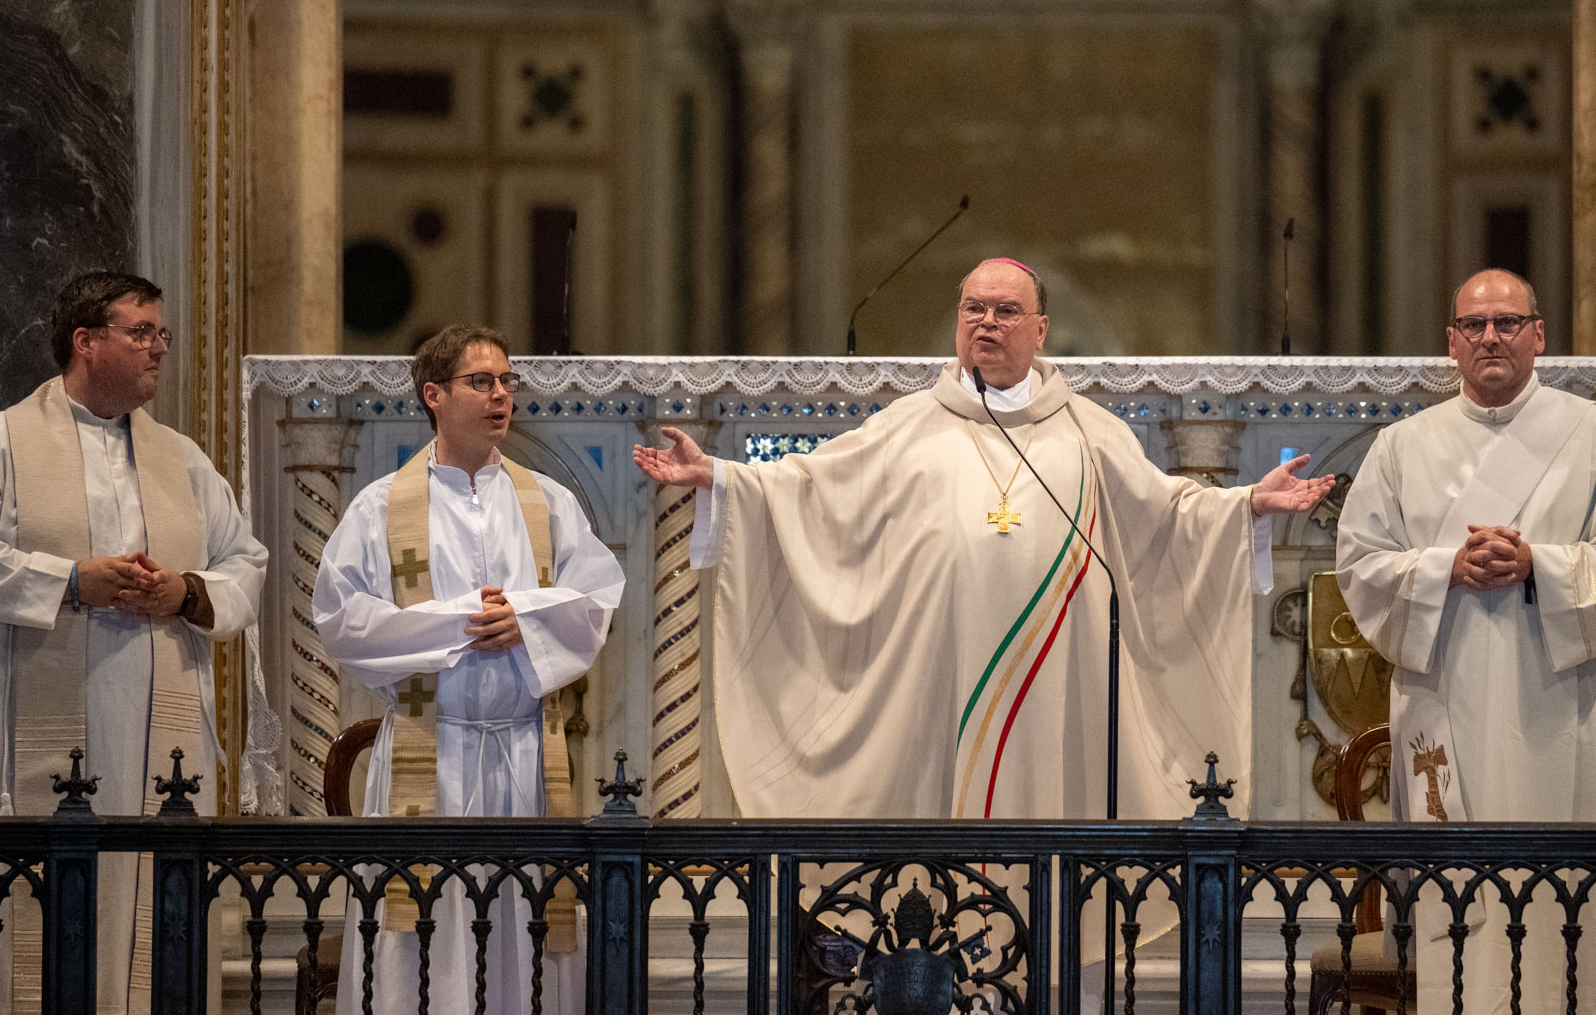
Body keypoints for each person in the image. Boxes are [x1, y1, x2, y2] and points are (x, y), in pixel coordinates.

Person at [633, 257, 1330, 827]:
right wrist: (721, 477)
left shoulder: (1089, 431)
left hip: (1064, 681)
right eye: (974, 309)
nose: (986, 323)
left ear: (1042, 329)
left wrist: (1244, 506)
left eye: (1005, 311)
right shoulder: (910, 423)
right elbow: (811, 489)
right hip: (939, 674)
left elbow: (1167, 516)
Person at [314, 324, 623, 1015]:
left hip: (524, 755)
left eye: (508, 382)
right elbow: (340, 617)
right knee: (424, 937)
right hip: (434, 750)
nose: (501, 395)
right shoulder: (379, 509)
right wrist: (458, 624)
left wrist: (527, 620)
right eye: (482, 381)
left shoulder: (547, 500)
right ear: (434, 394)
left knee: (528, 934)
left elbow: (599, 593)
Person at [0, 270, 268, 1015]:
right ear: (85, 341)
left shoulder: (178, 456)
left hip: (160, 728)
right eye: (140, 332)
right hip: (52, 718)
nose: (159, 349)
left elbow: (245, 560)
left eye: (163, 334)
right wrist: (70, 581)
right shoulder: (6, 443)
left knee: (158, 903)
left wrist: (186, 592)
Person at [1336, 268, 1596, 1013]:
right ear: (1450, 342)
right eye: (1475, 326)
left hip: (1560, 712)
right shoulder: (1399, 447)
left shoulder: (1587, 435)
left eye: (1508, 323)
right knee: (1460, 916)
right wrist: (1445, 567)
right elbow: (1357, 565)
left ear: (1539, 336)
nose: (1491, 338)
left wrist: (1537, 565)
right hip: (1443, 704)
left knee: (1558, 920)